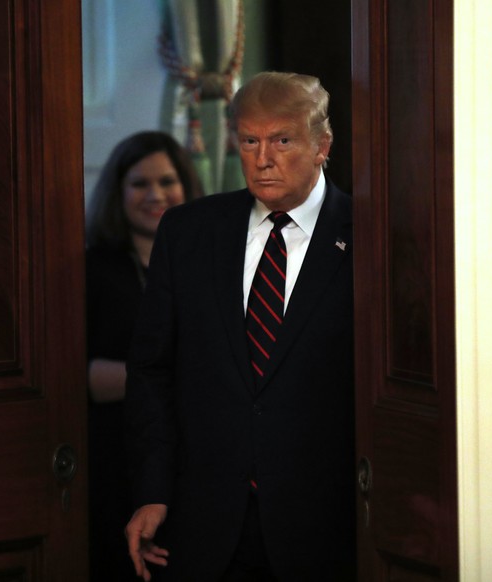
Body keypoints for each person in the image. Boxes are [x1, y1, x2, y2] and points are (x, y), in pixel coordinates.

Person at [124, 72, 355, 581]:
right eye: (249, 140)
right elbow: (151, 372)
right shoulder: (188, 233)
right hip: (203, 526)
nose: (263, 157)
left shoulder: (367, 235)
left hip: (326, 530)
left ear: (323, 145)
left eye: (283, 140)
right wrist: (153, 492)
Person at [85, 131, 204, 581]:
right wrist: (172, 378)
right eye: (140, 183)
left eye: (167, 181)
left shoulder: (208, 261)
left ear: (186, 187)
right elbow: (86, 375)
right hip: (116, 455)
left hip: (195, 453)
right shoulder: (92, 268)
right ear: (119, 192)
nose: (155, 194)